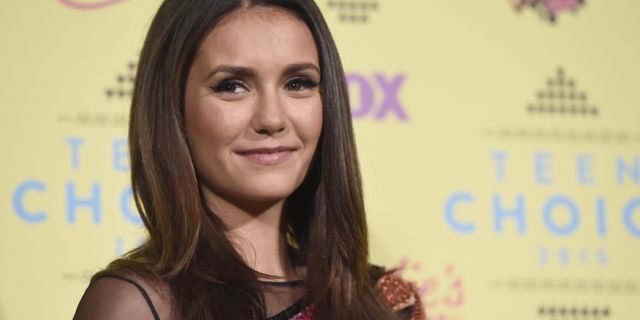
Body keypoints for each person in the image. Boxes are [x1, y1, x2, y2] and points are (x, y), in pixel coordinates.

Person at [73, 0, 424, 319]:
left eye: (298, 83)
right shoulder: (137, 306)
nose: (272, 119)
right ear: (173, 109)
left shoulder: (387, 303)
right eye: (232, 86)